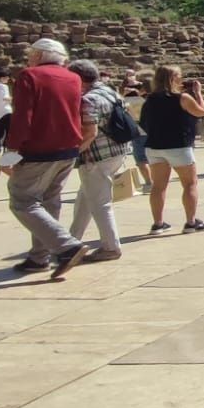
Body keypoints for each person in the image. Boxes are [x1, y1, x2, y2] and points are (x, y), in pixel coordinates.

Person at [0, 39, 92, 278]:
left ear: (40, 55)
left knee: (23, 200)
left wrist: (10, 152)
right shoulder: (73, 78)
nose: (29, 58)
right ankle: (39, 257)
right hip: (68, 148)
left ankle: (66, 246)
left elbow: (23, 116)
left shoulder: (30, 76)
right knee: (50, 201)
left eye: (31, 54)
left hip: (39, 149)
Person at [66, 59, 126, 262]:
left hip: (96, 155)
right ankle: (71, 241)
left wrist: (73, 152)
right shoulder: (110, 91)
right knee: (85, 198)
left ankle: (111, 247)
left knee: (101, 204)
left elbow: (89, 132)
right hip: (116, 152)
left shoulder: (88, 99)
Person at [140, 65, 204, 234]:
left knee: (158, 186)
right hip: (178, 146)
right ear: (172, 78)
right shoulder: (182, 98)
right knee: (190, 184)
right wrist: (198, 93)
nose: (182, 78)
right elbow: (201, 112)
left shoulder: (150, 99)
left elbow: (143, 122)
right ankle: (191, 222)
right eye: (179, 76)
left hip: (155, 146)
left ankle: (158, 223)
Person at [122, 77, 151, 192]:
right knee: (151, 157)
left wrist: (121, 94)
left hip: (136, 130)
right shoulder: (148, 100)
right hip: (150, 130)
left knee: (141, 159)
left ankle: (149, 182)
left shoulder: (125, 101)